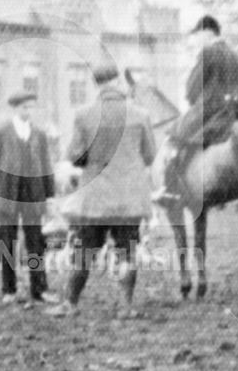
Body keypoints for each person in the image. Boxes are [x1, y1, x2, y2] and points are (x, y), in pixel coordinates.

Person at [45, 61, 157, 319]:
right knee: (127, 250)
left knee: (84, 251)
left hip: (94, 198)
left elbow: (74, 156)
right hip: (128, 199)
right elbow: (150, 156)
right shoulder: (140, 114)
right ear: (117, 81)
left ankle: (70, 304)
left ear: (96, 84)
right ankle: (127, 306)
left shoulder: (84, 114)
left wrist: (90, 160)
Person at [152, 14, 238, 206]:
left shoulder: (209, 53)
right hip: (233, 113)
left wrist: (195, 99)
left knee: (173, 136)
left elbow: (192, 89)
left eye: (198, 34)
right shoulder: (236, 58)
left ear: (207, 32)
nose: (197, 39)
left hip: (210, 111)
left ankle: (169, 189)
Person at [0, 91, 59, 305]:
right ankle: (9, 289)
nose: (28, 111)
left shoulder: (39, 135)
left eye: (31, 107)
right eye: (25, 107)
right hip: (7, 194)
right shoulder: (1, 133)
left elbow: (46, 166)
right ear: (15, 109)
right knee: (7, 242)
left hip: (33, 194)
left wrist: (50, 196)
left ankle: (39, 289)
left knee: (36, 242)